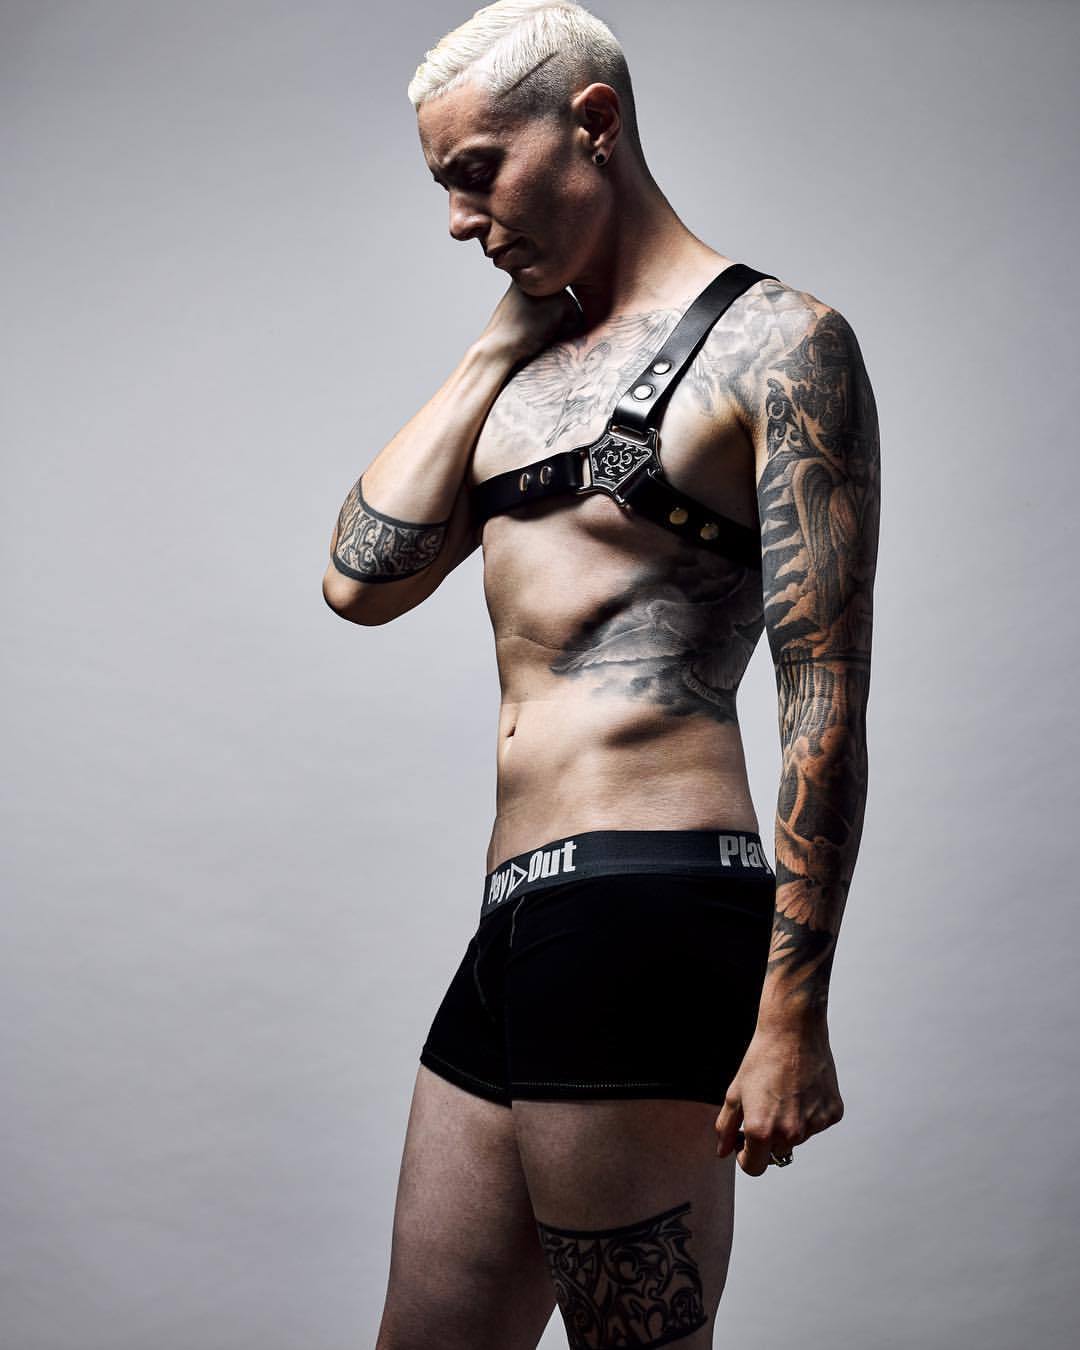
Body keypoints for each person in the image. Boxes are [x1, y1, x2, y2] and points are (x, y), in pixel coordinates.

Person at [322, 2, 880, 1345]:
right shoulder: (525, 373)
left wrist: (792, 1007)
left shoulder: (779, 344)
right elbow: (358, 581)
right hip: (519, 914)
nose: (459, 219)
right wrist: (495, 345)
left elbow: (823, 692)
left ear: (593, 124)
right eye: (443, 183)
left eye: (477, 172)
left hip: (649, 903)